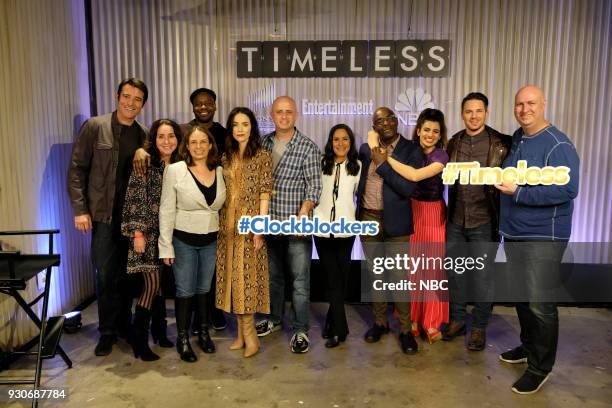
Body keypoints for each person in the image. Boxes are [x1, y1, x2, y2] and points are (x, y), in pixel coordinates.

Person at [496, 85, 579, 394]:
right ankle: (529, 347)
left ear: (544, 104)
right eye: (519, 104)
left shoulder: (558, 144)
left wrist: (518, 192)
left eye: (530, 103)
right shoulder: (519, 138)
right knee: (522, 297)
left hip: (544, 236)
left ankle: (540, 367)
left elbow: (568, 190)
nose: (524, 109)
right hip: (516, 232)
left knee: (540, 303)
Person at [68, 78, 149, 356]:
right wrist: (80, 210)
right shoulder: (95, 126)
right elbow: (77, 169)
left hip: (131, 220)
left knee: (128, 276)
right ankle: (107, 331)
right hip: (103, 216)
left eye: (137, 99)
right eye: (126, 96)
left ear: (143, 104)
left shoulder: (143, 134)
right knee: (105, 275)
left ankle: (125, 326)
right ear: (117, 96)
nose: (131, 103)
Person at [370, 108, 450, 343]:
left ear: (440, 134)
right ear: (418, 130)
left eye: (436, 131)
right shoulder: (410, 150)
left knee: (432, 270)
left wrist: (384, 158)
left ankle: (432, 320)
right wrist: (376, 145)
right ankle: (412, 319)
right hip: (410, 211)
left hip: (433, 214)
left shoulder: (441, 156)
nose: (430, 134)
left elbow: (414, 176)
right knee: (411, 272)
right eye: (426, 129)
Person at [442, 92, 510, 351]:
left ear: (486, 112)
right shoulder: (454, 142)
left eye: (478, 111)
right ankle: (458, 320)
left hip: (484, 221)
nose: (474, 116)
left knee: (483, 278)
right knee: (456, 274)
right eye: (469, 111)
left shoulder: (501, 143)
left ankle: (479, 327)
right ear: (462, 114)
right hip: (456, 220)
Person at [255, 96, 322, 354]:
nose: (283, 116)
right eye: (279, 112)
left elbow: (315, 186)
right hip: (270, 224)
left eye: (288, 112)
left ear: (296, 115)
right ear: (271, 115)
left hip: (296, 226)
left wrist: (305, 209)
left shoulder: (307, 147)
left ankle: (300, 329)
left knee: (300, 280)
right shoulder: (263, 144)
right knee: (273, 278)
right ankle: (273, 320)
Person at [357, 106, 423, 354]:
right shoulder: (365, 149)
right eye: (378, 120)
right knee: (375, 276)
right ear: (374, 126)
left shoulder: (411, 149)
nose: (384, 123)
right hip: (368, 218)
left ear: (397, 121)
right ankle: (380, 323)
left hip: (396, 223)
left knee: (399, 279)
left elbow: (407, 189)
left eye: (389, 118)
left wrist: (383, 165)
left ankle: (405, 330)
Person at [158, 126, 226, 362]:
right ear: (187, 146)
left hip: (210, 239)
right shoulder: (175, 170)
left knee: (204, 289)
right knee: (185, 290)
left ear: (210, 145)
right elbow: (166, 209)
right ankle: (183, 338)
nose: (198, 146)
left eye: (203, 142)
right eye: (193, 142)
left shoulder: (219, 170)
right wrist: (165, 246)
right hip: (183, 239)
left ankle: (204, 333)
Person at [121, 119, 182, 361]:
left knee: (161, 287)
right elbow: (134, 198)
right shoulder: (145, 163)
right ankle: (139, 341)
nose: (166, 141)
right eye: (161, 136)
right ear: (153, 140)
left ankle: (159, 332)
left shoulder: (180, 165)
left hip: (169, 236)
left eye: (171, 136)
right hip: (146, 235)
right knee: (151, 287)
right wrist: (137, 233)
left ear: (178, 138)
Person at [216, 107, 272, 358]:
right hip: (225, 226)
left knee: (246, 279)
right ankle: (239, 334)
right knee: (232, 280)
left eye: (245, 124)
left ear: (252, 127)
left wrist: (260, 228)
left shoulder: (262, 156)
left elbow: (264, 194)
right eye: (236, 124)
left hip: (250, 228)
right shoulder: (225, 157)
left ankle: (252, 338)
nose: (240, 129)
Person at [313, 124, 361, 348]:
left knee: (340, 279)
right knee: (333, 277)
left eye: (345, 139)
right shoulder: (321, 163)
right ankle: (340, 330)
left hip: (346, 229)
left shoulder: (358, 166)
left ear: (350, 142)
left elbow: (360, 197)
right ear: (330, 142)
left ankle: (332, 322)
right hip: (321, 229)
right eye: (336, 139)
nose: (340, 144)